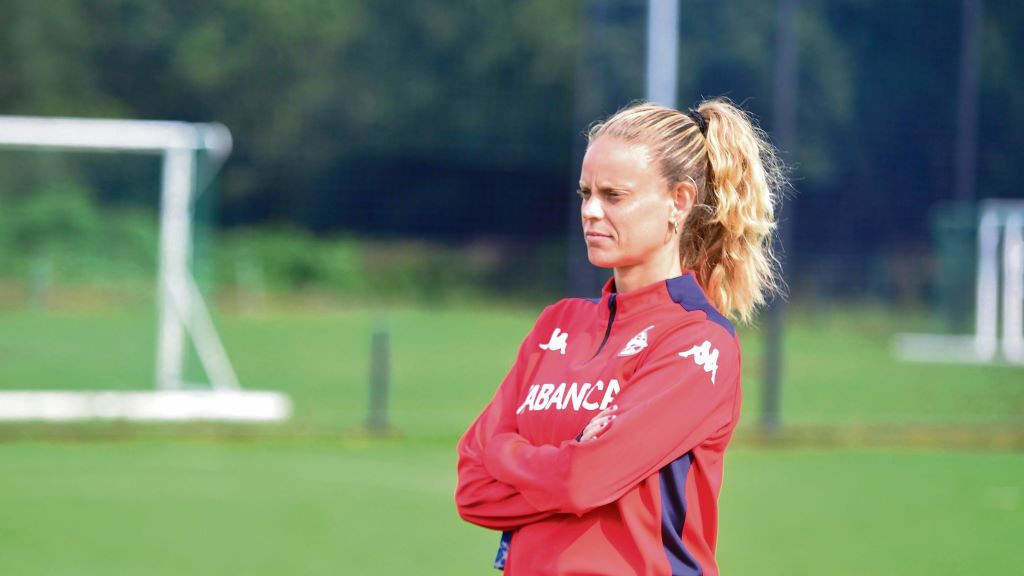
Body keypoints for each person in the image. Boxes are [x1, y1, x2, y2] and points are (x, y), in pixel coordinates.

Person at [455, 98, 784, 576]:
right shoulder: (557, 326)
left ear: (679, 202)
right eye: (585, 193)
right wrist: (568, 461)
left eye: (614, 196)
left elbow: (579, 482)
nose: (590, 211)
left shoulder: (698, 343)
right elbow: (472, 486)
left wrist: (510, 455)